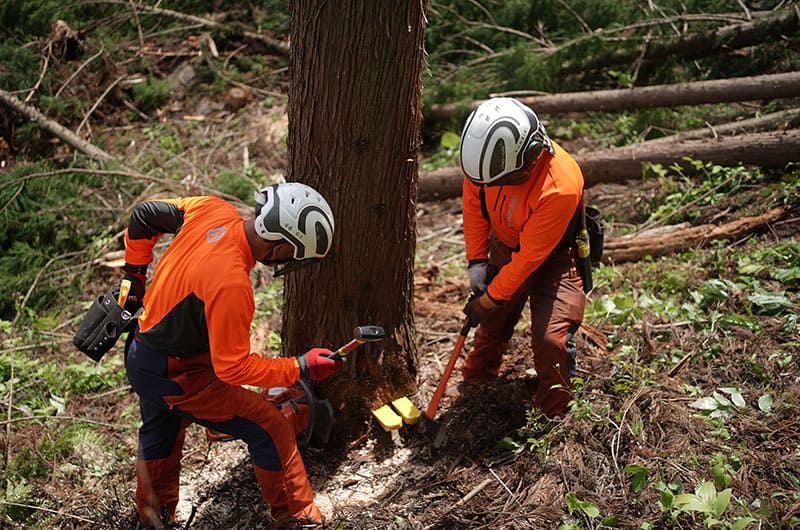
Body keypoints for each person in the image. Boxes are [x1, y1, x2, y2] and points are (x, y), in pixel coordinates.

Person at [120, 182, 340, 528]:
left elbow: (145, 214)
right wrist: (300, 366)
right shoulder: (231, 284)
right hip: (176, 374)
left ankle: (152, 518)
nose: (291, 262)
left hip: (140, 352)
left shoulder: (212, 209)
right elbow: (233, 368)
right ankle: (298, 517)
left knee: (161, 431)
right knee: (270, 427)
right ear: (282, 244)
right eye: (294, 255)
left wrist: (133, 275)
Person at [458, 97, 587, 419]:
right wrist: (477, 261)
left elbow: (529, 259)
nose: (495, 186)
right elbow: (474, 205)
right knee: (492, 322)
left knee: (551, 341)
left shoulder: (559, 186)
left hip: (557, 259)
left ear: (529, 157)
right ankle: (476, 383)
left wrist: (490, 298)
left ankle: (553, 414)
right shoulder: (485, 164)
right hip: (507, 245)